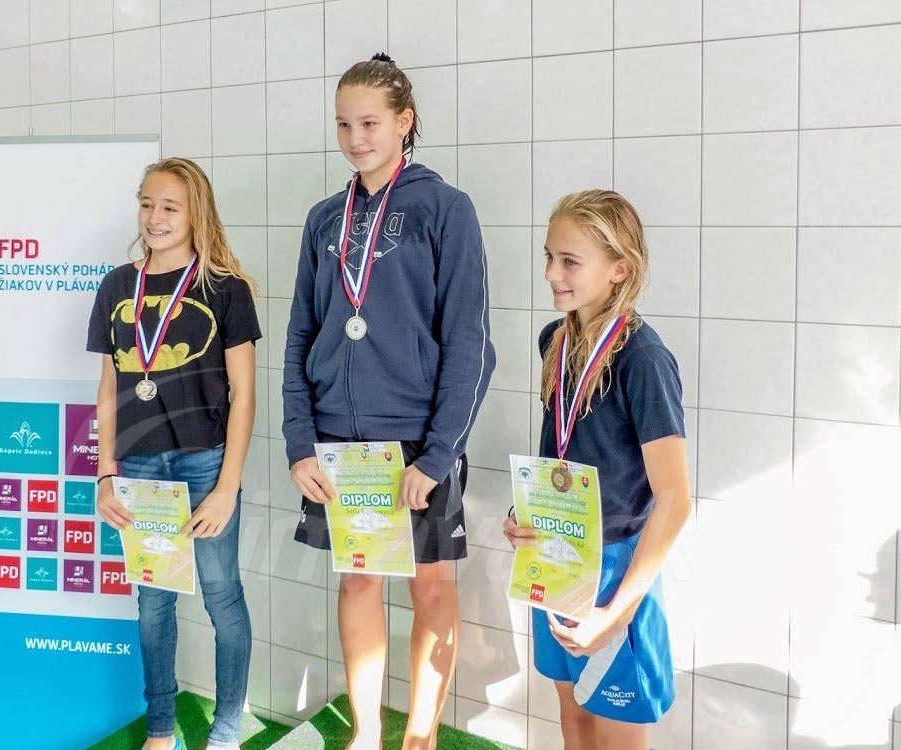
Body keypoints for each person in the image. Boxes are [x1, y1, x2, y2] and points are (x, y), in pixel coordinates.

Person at [281, 53, 496, 750]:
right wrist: (299, 442)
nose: (355, 138)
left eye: (370, 122)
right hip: (339, 443)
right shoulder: (324, 220)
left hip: (416, 444)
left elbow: (469, 343)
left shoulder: (446, 209)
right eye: (344, 124)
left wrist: (438, 456)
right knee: (357, 583)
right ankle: (367, 734)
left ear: (405, 122)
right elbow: (300, 335)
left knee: (430, 588)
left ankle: (421, 737)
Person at [503, 190, 692, 750]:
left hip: (614, 568)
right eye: (549, 257)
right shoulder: (556, 341)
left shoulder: (643, 359)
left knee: (615, 732)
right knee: (573, 714)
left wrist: (618, 611)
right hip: (555, 553)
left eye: (569, 261)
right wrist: (525, 512)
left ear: (619, 269)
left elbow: (675, 497)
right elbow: (566, 452)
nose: (551, 274)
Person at [88, 157, 261, 750]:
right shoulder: (117, 285)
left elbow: (244, 395)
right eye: (146, 204)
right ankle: (160, 727)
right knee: (153, 604)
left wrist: (226, 488)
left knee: (222, 596)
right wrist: (105, 473)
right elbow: (109, 386)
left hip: (205, 462)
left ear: (196, 215)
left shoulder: (226, 289)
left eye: (169, 207)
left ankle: (226, 731)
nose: (155, 217)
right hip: (138, 467)